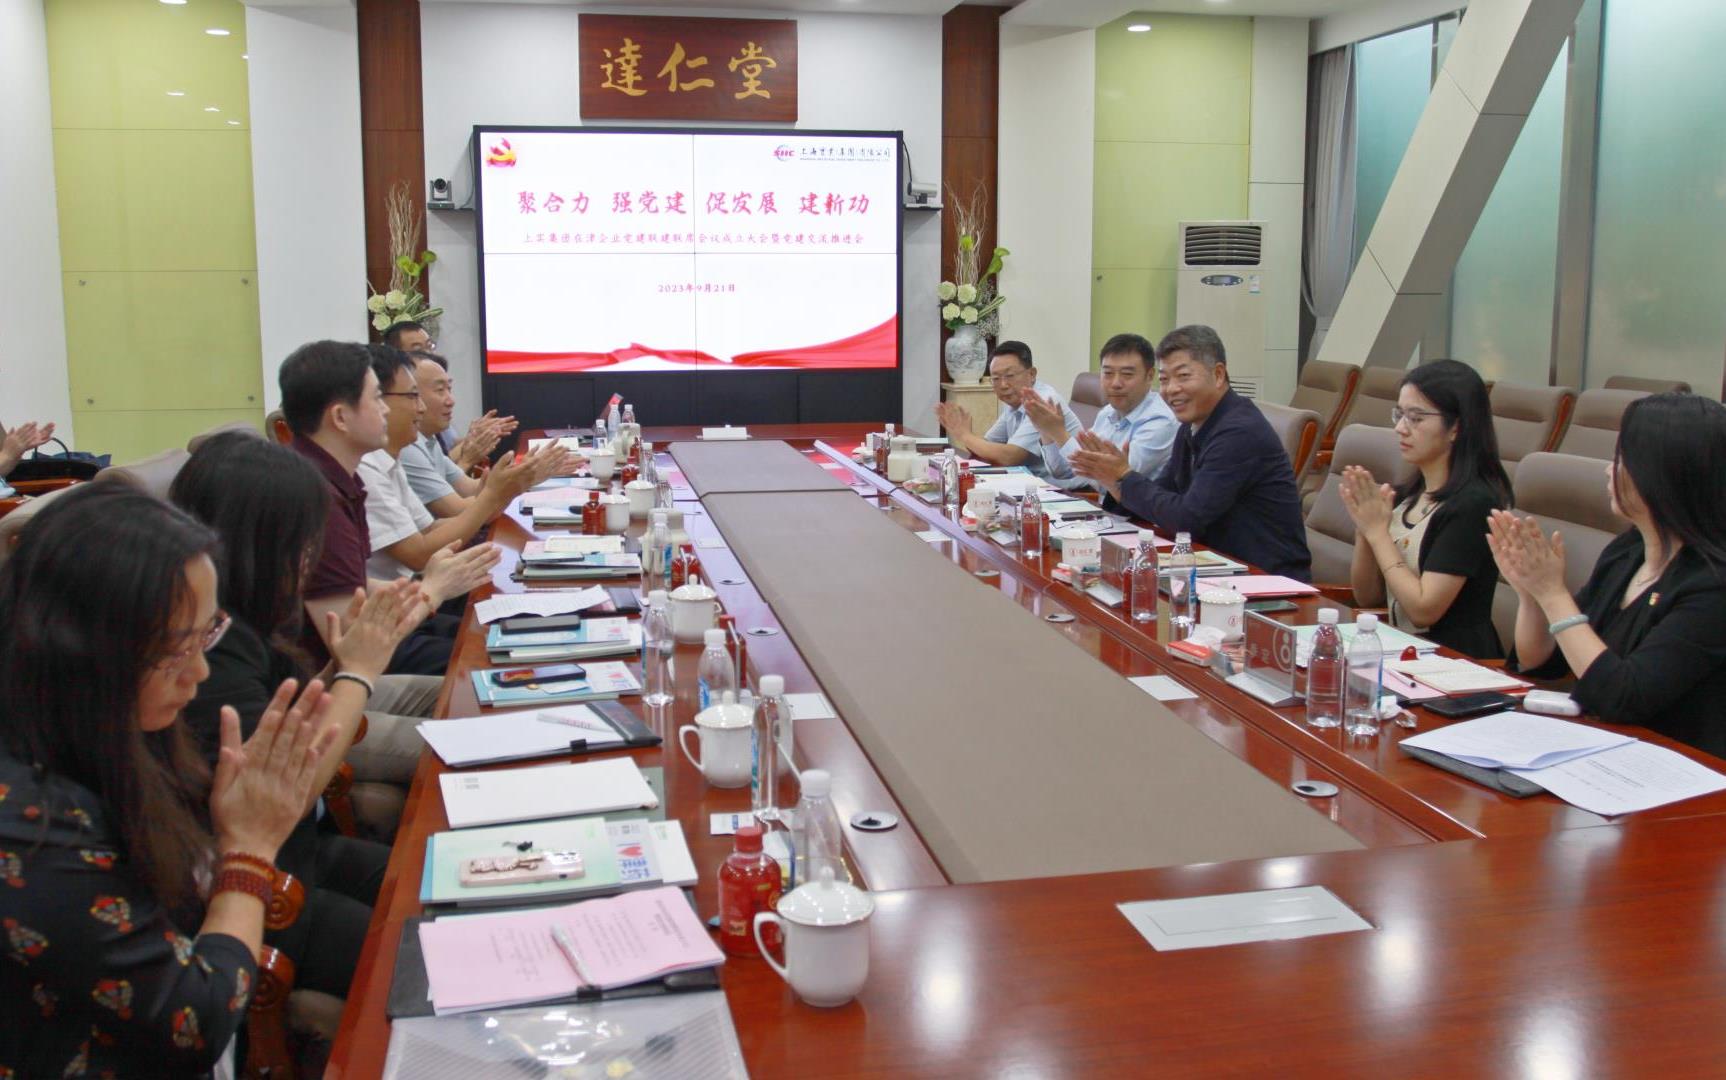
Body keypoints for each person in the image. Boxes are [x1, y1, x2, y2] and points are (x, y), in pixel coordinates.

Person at [0, 484, 337, 1077]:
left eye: (209, 633)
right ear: (84, 650)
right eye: (178, 649)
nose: (200, 672)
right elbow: (194, 1023)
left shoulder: (111, 721)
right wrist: (250, 849)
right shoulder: (29, 824)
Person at [172, 431, 432, 842]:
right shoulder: (215, 643)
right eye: (303, 540)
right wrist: (358, 671)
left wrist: (346, 661)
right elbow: (284, 791)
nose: (311, 555)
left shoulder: (254, 607)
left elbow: (295, 704)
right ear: (256, 540)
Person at [1491, 393, 1726, 756]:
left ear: (1662, 473)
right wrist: (1531, 594)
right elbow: (1544, 662)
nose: (1607, 470)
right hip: (1603, 745)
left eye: (1620, 459)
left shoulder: (1713, 584)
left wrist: (1552, 593)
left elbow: (1623, 697)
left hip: (1677, 766)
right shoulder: (1627, 551)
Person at [276, 340, 498, 677]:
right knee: (484, 665)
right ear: (340, 417)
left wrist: (431, 584)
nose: (386, 410)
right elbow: (349, 638)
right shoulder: (313, 495)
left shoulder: (344, 475)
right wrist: (430, 591)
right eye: (377, 398)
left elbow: (354, 585)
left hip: (386, 627)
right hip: (347, 674)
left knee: (495, 635)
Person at [1070, 325, 1311, 580]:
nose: (1171, 389)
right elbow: (1164, 493)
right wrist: (1115, 481)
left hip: (1264, 580)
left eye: (1183, 376)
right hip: (1212, 565)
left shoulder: (1239, 432)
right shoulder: (1191, 425)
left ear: (1218, 375)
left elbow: (1187, 518)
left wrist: (1124, 476)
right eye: (1164, 379)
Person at [1340, 360, 1512, 657]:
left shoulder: (1473, 504)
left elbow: (1423, 610)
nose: (1400, 428)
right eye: (1399, 415)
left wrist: (1378, 534)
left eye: (1415, 418)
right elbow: (1367, 597)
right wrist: (1364, 530)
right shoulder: (1407, 495)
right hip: (1404, 651)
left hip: (1456, 663)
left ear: (1456, 427)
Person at [358, 346, 565, 589]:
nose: (421, 407)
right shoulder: (370, 467)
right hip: (411, 591)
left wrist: (512, 483)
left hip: (420, 586)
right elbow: (420, 553)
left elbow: (430, 528)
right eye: (414, 396)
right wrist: (498, 492)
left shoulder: (395, 457)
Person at [1021, 333, 1176, 491]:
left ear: (1149, 376)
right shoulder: (1108, 412)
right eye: (1108, 373)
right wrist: (1046, 430)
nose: (1115, 383)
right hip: (1102, 505)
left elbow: (1116, 480)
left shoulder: (1161, 421)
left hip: (1133, 507)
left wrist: (1059, 433)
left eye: (1127, 374)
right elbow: (1064, 471)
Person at [399, 350, 526, 517]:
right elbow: (460, 511)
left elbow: (470, 489)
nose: (451, 401)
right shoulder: (407, 448)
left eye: (449, 389)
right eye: (440, 390)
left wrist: (523, 473)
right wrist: (517, 482)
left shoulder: (429, 438)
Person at [932, 341, 1081, 476]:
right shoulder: (1015, 402)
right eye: (996, 378)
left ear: (1032, 374)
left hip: (1068, 490)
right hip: (1031, 483)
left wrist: (965, 435)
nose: (1003, 385)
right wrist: (963, 432)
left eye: (1010, 375)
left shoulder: (1042, 401)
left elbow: (1010, 457)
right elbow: (988, 446)